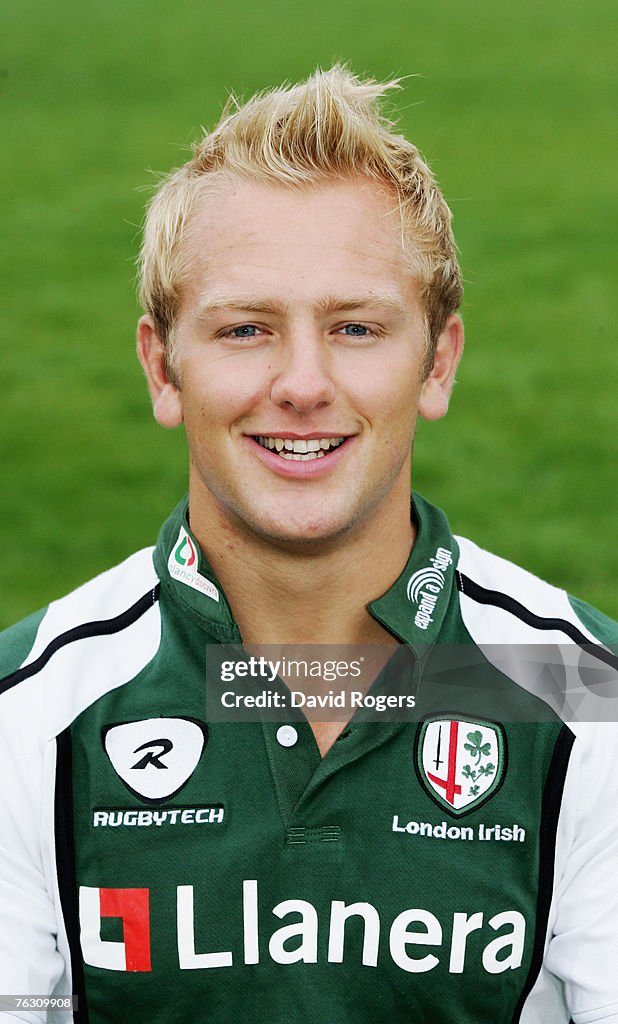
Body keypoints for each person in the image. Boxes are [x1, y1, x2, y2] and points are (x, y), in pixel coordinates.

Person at [0, 65, 617, 1024]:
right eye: (245, 328)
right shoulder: (25, 717)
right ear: (163, 368)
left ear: (438, 360)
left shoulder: (591, 698)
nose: (302, 382)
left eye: (356, 327)